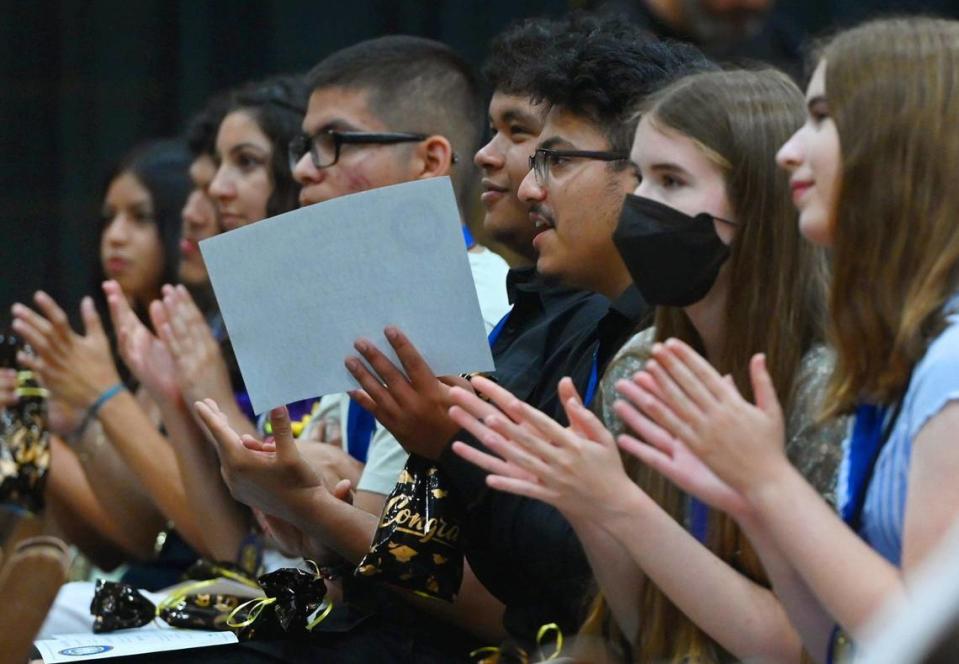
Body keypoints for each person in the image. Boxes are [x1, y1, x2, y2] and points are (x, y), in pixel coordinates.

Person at [448, 67, 848, 662]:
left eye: (672, 180)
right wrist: (589, 506)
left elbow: (797, 648)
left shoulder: (824, 385)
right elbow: (646, 628)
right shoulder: (638, 364)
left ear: (760, 204)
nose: (640, 205)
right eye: (638, 178)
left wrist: (617, 504)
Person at [607, 16, 959, 662]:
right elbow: (835, 643)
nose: (788, 152)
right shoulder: (908, 354)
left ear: (899, 143)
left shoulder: (950, 366)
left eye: (821, 117)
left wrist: (767, 482)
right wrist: (753, 499)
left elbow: (926, 640)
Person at [12, 139, 197, 583]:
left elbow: (143, 536)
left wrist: (32, 431)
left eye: (139, 217)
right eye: (109, 218)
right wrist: (28, 434)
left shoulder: (202, 350)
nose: (114, 235)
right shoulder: (121, 348)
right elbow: (102, 547)